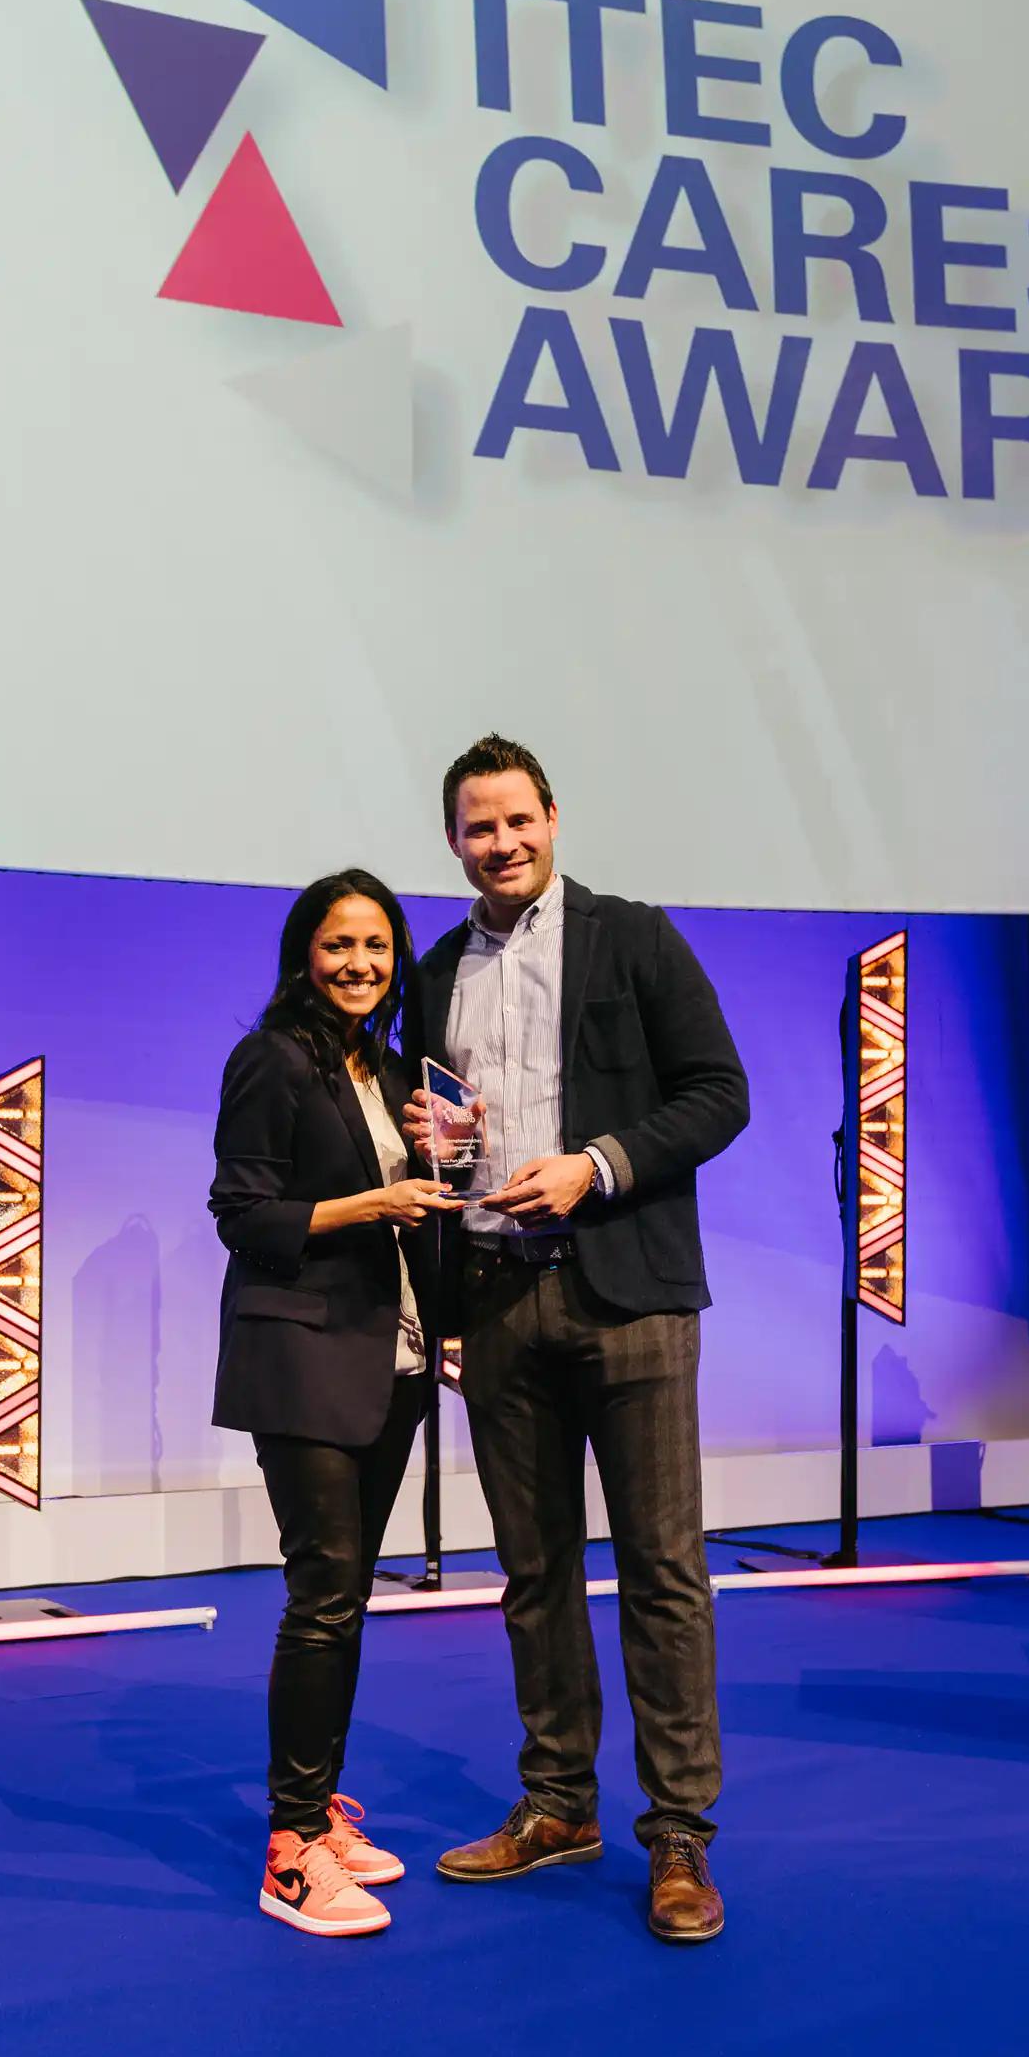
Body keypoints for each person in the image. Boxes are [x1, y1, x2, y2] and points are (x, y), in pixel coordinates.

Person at [405, 736, 749, 1944]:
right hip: (498, 1299)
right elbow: (439, 1134)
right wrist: (434, 1144)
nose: (499, 844)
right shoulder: (437, 964)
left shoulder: (633, 935)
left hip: (632, 1296)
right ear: (452, 841)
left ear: (553, 817)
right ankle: (558, 1803)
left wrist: (598, 1167)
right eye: (475, 828)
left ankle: (679, 1838)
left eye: (515, 820)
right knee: (534, 1572)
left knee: (661, 1571)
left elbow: (718, 1091)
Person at [210, 869, 462, 1938]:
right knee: (321, 1592)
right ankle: (288, 1847)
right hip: (300, 1358)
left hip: (388, 1362)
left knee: (347, 1593)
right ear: (302, 955)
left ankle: (319, 1814)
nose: (357, 963)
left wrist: (447, 1158)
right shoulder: (270, 1058)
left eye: (374, 945)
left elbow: (425, 1211)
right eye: (336, 945)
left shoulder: (391, 1068)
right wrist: (375, 1199)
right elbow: (241, 1211)